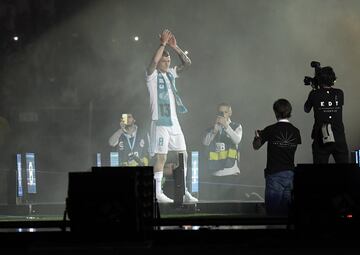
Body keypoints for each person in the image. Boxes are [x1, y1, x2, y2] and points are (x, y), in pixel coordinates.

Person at [146, 29, 197, 203]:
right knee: (162, 157)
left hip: (174, 122)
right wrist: (162, 44)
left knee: (184, 155)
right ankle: (157, 193)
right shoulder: (152, 77)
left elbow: (187, 63)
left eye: (169, 61)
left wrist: (175, 47)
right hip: (160, 121)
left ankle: (184, 191)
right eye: (164, 61)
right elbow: (152, 63)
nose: (167, 64)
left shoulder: (170, 75)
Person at [253, 99, 301, 216]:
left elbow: (256, 146)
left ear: (275, 112)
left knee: (272, 213)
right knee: (286, 214)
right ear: (289, 111)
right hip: (290, 175)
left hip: (274, 175)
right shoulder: (295, 131)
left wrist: (257, 138)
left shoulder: (271, 129)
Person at [304, 66, 349, 163]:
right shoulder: (340, 93)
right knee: (346, 172)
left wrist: (314, 89)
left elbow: (306, 109)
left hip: (321, 139)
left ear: (319, 80)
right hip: (339, 138)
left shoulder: (314, 94)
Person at [202, 103, 243, 200]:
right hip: (215, 171)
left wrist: (226, 127)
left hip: (230, 171)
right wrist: (214, 131)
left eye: (225, 112)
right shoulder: (212, 128)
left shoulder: (236, 126)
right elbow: (205, 143)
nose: (223, 114)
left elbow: (237, 140)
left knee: (229, 204)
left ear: (230, 113)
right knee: (215, 204)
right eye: (220, 112)